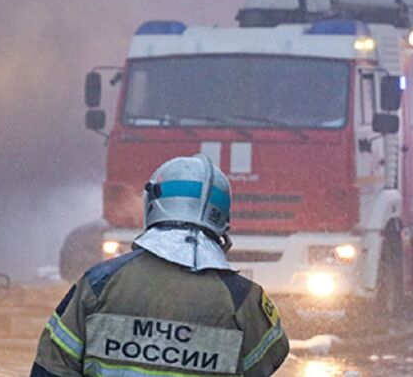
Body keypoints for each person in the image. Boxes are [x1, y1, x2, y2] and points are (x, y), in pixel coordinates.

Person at [31, 154, 289, 376]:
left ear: (153, 204)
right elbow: (267, 360)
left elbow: (52, 365)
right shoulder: (243, 298)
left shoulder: (99, 282)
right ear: (222, 216)